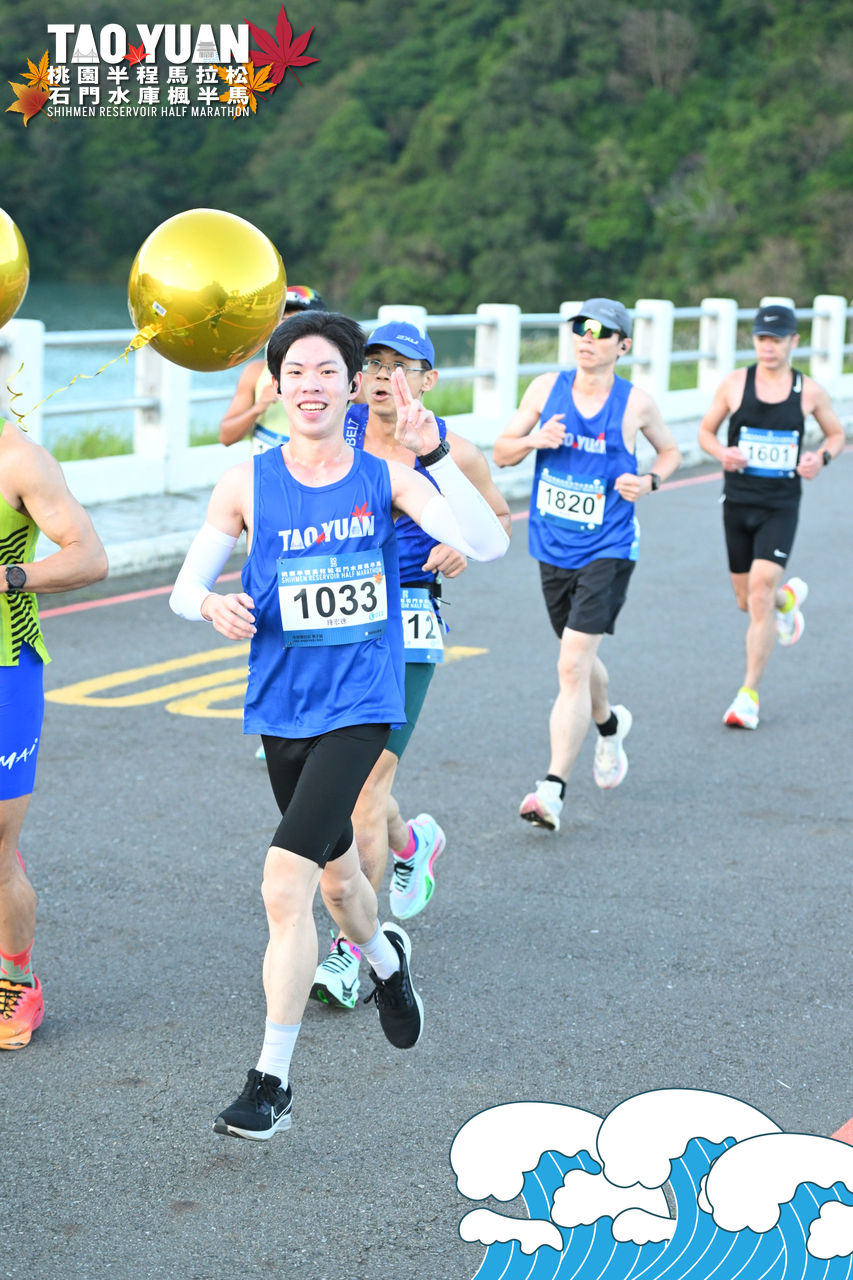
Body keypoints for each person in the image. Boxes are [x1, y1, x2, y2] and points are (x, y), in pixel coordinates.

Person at [169, 311, 508, 1140]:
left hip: (361, 702)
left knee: (283, 884)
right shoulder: (245, 482)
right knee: (336, 882)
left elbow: (487, 542)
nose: (311, 386)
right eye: (296, 372)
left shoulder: (384, 476)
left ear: (352, 385)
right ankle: (387, 962)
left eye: (328, 371)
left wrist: (435, 462)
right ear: (276, 386)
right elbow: (185, 589)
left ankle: (270, 1085)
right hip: (280, 705)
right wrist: (211, 604)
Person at [309, 321, 511, 1011]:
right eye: (373, 364)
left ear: (428, 379)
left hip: (411, 618)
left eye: (402, 366)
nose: (384, 377)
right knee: (344, 777)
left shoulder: (452, 449)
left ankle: (349, 952)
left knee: (364, 787)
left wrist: (458, 548)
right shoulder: (335, 432)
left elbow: (497, 519)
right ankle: (413, 841)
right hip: (334, 617)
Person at [492, 297, 681, 832]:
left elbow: (670, 452)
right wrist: (534, 439)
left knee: (572, 664)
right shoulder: (545, 390)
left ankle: (551, 789)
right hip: (552, 545)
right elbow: (501, 452)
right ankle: (609, 723)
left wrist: (649, 481)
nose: (587, 338)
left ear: (623, 345)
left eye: (600, 331)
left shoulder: (635, 403)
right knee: (576, 656)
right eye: (580, 328)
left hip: (609, 546)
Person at [0, 417, 108, 1049]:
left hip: (5, 668)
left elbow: (89, 556)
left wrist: (8, 575)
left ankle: (16, 978)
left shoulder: (19, 460)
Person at [697, 303, 844, 730]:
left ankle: (748, 696)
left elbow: (836, 434)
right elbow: (705, 432)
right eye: (762, 338)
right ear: (755, 340)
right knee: (747, 600)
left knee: (760, 590)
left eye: (777, 340)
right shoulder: (734, 385)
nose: (769, 347)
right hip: (737, 502)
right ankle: (787, 601)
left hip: (780, 505)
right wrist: (722, 452)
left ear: (793, 342)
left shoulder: (809, 392)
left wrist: (821, 458)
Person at [218, 286, 327, 454]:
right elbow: (226, 437)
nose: (289, 327)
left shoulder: (337, 374)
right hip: (265, 469)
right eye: (282, 318)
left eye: (297, 319)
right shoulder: (255, 372)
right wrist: (258, 408)